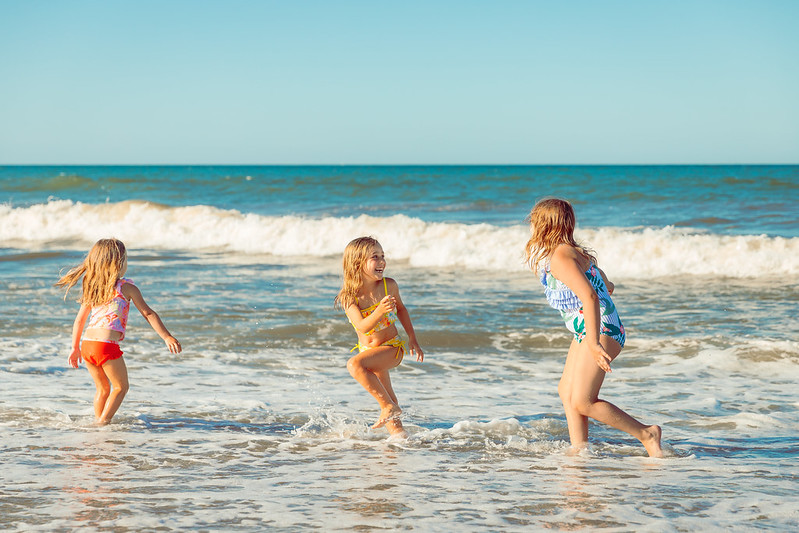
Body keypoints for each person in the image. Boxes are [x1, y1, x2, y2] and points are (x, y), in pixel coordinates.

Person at [524, 198, 663, 457]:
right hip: (589, 330)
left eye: (533, 221)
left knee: (583, 401)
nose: (531, 226)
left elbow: (590, 296)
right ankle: (580, 450)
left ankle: (647, 434)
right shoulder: (575, 252)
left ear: (544, 225)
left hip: (600, 332)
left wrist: (593, 343)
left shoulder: (560, 257)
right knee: (566, 391)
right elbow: (607, 286)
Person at [56, 238, 182, 425]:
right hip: (106, 347)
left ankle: (98, 422)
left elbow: (80, 320)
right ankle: (102, 423)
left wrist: (75, 348)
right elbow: (148, 313)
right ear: (118, 263)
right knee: (121, 387)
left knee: (102, 388)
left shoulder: (93, 286)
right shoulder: (127, 288)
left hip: (88, 345)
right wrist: (166, 336)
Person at [335, 236, 424, 436]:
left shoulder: (388, 286)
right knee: (388, 397)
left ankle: (389, 408)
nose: (382, 261)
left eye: (383, 255)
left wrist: (412, 339)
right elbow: (362, 326)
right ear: (357, 263)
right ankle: (400, 439)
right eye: (375, 257)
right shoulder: (349, 297)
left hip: (392, 348)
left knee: (354, 365)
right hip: (369, 351)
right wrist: (379, 312)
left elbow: (401, 309)